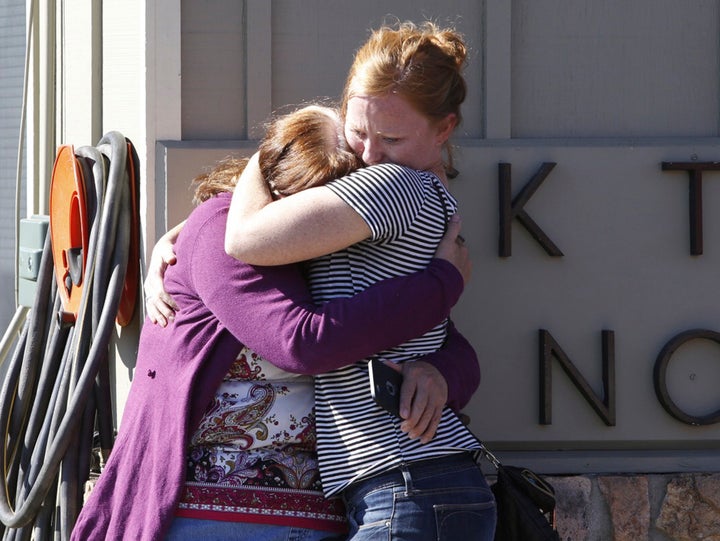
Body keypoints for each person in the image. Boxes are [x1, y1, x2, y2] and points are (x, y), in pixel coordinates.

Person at [71, 104, 476, 541]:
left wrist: (441, 373)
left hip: (334, 512)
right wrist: (442, 282)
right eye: (317, 204)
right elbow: (300, 343)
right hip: (208, 515)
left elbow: (440, 340)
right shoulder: (221, 233)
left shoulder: (342, 256)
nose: (328, 224)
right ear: (284, 191)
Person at [223, 21, 496, 540]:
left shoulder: (393, 185)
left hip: (410, 485)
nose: (368, 154)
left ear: (444, 129)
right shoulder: (418, 190)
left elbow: (243, 240)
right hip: (411, 486)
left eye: (391, 137)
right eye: (359, 131)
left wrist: (265, 155)